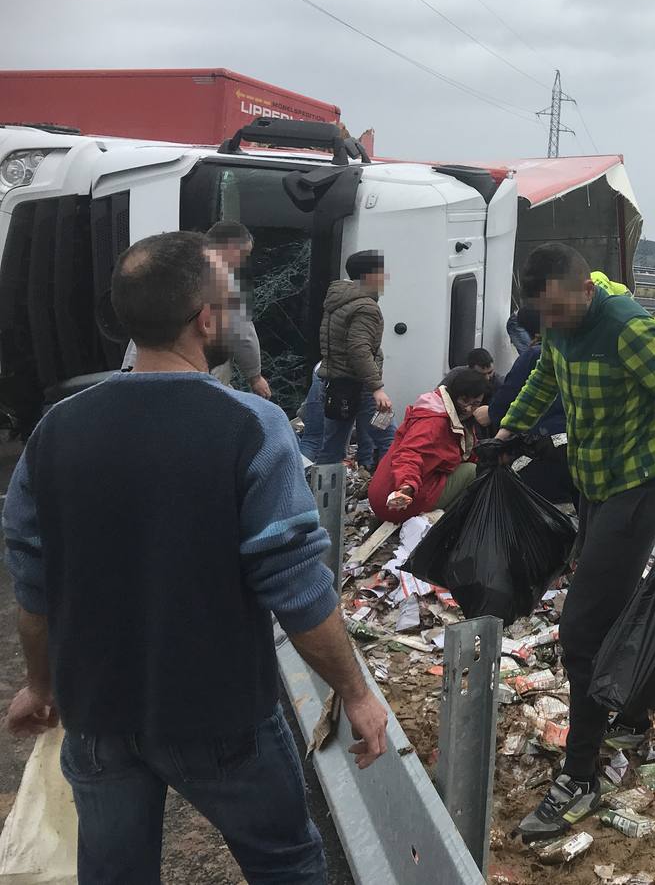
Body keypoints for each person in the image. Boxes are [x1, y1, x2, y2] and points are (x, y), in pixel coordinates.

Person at [2, 231, 387, 883]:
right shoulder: (249, 426)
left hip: (96, 709)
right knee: (285, 862)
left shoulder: (57, 430)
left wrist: (41, 685)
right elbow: (295, 587)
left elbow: (33, 587)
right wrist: (356, 694)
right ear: (206, 318)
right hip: (220, 711)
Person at [493, 244, 655, 841]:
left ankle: (581, 777)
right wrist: (511, 428)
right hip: (593, 482)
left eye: (562, 311)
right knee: (612, 605)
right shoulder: (558, 324)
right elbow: (545, 374)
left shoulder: (630, 330)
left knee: (581, 630)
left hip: (640, 487)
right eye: (545, 315)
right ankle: (634, 716)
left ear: (585, 291)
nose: (554, 324)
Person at [120, 221, 270, 399]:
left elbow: (144, 331)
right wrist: (255, 376)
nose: (242, 262)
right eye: (242, 254)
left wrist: (129, 369)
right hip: (199, 384)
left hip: (147, 380)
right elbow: (244, 335)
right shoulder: (224, 286)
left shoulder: (171, 275)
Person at [370, 368, 492, 523]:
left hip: (388, 494)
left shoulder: (452, 417)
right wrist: (406, 487)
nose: (469, 408)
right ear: (454, 395)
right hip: (396, 500)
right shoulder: (434, 422)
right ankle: (441, 526)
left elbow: (469, 452)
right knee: (471, 472)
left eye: (475, 404)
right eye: (464, 401)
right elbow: (409, 454)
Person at [486, 308, 577, 506]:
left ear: (534, 333)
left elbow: (502, 407)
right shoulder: (578, 350)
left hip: (543, 454)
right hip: (581, 454)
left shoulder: (534, 356)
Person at [315, 250, 395, 467]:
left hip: (336, 385)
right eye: (382, 272)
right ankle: (392, 493)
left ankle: (320, 498)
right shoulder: (366, 307)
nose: (385, 277)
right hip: (361, 387)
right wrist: (376, 387)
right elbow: (359, 349)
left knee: (332, 447)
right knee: (389, 440)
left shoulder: (338, 300)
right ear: (369, 276)